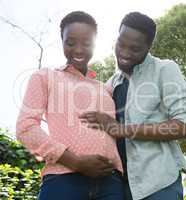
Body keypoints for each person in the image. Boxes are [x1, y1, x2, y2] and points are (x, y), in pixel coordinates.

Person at [80, 12, 186, 200]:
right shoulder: (111, 83)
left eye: (134, 49)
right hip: (119, 187)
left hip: (158, 184)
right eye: (121, 44)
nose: (124, 53)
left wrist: (121, 130)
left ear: (149, 47)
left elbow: (185, 125)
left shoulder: (164, 69)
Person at [16, 11, 124, 200]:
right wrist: (76, 162)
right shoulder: (45, 77)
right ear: (62, 41)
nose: (79, 50)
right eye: (71, 42)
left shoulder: (106, 89)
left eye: (87, 43)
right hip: (63, 180)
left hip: (111, 184)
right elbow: (25, 128)